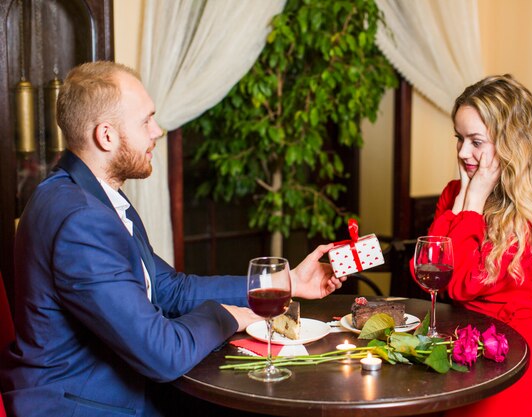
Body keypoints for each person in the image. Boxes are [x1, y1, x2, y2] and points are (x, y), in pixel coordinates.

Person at [0, 61, 345, 417]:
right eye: (146, 120)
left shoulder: (89, 196)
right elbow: (162, 355)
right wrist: (225, 315)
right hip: (86, 405)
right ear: (106, 136)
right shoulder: (81, 220)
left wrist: (284, 282)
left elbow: (171, 290)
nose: (158, 130)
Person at [420, 74, 532, 417]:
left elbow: (462, 285)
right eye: (459, 138)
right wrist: (463, 200)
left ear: (510, 143)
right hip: (461, 347)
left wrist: (474, 200)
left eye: (476, 141)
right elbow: (426, 270)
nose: (463, 152)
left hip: (510, 357)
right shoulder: (456, 192)